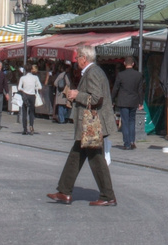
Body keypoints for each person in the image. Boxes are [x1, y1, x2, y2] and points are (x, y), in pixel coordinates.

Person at [46, 45, 117, 206]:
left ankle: (107, 196)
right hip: (90, 124)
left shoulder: (92, 72)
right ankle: (64, 191)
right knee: (76, 155)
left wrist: (77, 95)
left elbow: (97, 97)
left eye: (77, 57)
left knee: (96, 159)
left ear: (84, 58)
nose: (76, 60)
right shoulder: (93, 72)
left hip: (92, 125)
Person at [113, 56, 143, 150]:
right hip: (133, 101)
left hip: (123, 101)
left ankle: (126, 144)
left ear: (124, 63)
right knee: (132, 122)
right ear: (133, 64)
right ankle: (132, 141)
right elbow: (140, 90)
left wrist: (112, 100)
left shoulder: (120, 75)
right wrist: (141, 102)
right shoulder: (138, 75)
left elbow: (115, 88)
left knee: (125, 122)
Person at [18, 61, 43, 134]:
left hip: (25, 95)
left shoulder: (22, 78)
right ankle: (31, 125)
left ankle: (25, 129)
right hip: (32, 96)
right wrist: (34, 87)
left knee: (24, 112)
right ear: (31, 69)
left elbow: (19, 88)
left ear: (25, 70)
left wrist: (24, 89)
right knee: (32, 112)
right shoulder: (35, 77)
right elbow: (40, 87)